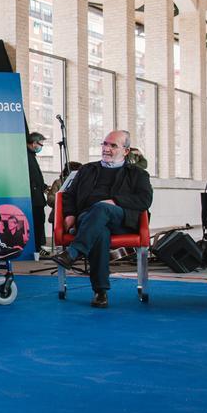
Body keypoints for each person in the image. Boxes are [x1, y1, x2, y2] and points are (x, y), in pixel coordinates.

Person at [50, 130, 153, 308]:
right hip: (87, 218)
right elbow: (69, 195)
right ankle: (100, 292)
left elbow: (144, 200)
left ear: (126, 151)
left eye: (113, 145)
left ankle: (73, 253)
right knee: (100, 232)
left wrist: (114, 201)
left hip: (121, 220)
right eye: (105, 144)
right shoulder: (86, 170)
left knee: (102, 208)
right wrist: (70, 214)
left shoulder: (137, 174)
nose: (107, 148)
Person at [26, 132, 48, 256]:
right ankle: (37, 248)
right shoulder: (27, 156)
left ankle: (38, 247)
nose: (41, 147)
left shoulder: (31, 155)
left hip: (37, 194)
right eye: (41, 144)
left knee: (40, 220)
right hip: (34, 197)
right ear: (34, 143)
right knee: (37, 221)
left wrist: (43, 186)